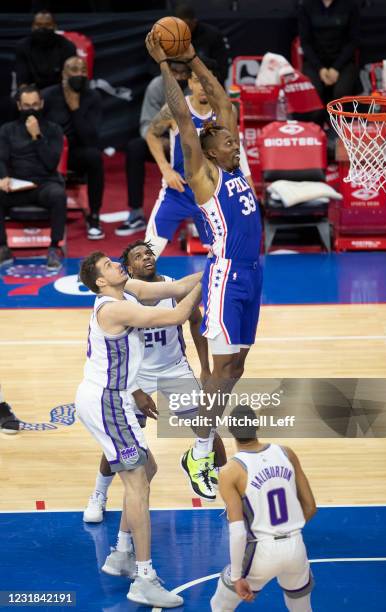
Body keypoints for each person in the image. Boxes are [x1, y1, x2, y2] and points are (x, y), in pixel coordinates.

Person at [145, 34, 263, 492]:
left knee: (236, 370)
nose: (237, 144)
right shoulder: (204, 174)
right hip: (227, 275)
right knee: (219, 372)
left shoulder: (237, 168)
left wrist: (193, 56)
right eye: (229, 142)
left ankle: (202, 440)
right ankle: (198, 453)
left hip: (254, 274)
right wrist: (165, 66)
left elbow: (223, 101)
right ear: (211, 152)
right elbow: (181, 119)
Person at [76, 250, 201, 607]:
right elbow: (178, 313)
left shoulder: (124, 291)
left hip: (109, 399)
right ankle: (143, 577)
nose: (117, 265)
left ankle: (120, 555)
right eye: (109, 266)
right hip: (107, 401)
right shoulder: (114, 307)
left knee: (147, 468)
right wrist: (208, 283)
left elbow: (174, 287)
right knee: (138, 485)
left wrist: (209, 271)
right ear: (101, 281)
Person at [83, 239, 217, 519]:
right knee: (120, 442)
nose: (146, 258)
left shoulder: (164, 285)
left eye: (149, 253)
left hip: (173, 368)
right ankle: (99, 492)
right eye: (137, 256)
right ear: (128, 267)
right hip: (135, 375)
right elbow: (118, 359)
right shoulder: (121, 299)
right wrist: (135, 390)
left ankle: (224, 486)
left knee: (207, 426)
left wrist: (205, 367)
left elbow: (191, 315)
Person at [210, 404, 317, 612]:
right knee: (301, 609)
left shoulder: (230, 471)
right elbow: (311, 507)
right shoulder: (287, 453)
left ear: (231, 431)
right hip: (296, 546)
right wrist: (289, 531)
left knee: (220, 605)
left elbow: (238, 532)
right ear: (257, 426)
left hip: (261, 550)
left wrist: (236, 576)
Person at [144, 59, 254, 258]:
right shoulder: (175, 110)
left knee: (223, 255)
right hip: (179, 190)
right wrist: (165, 169)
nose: (203, 87)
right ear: (190, 83)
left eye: (207, 81)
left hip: (214, 193)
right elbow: (151, 134)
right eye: (197, 81)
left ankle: (215, 287)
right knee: (148, 251)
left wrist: (246, 181)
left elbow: (237, 150)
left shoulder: (225, 112)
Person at [115, 62, 192, 237]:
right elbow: (146, 127)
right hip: (162, 141)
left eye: (184, 73)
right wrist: (164, 141)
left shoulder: (198, 88)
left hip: (190, 144)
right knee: (135, 148)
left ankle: (201, 212)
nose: (179, 77)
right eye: (175, 72)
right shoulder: (157, 86)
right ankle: (136, 212)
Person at [0, 85, 66, 269]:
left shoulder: (54, 129)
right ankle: (2, 247)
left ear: (42, 104)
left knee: (59, 195)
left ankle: (54, 248)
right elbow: (1, 158)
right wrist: (3, 177)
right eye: (27, 105)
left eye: (35, 105)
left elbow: (51, 163)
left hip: (45, 184)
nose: (31, 109)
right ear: (19, 106)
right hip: (17, 185)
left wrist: (36, 135)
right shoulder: (7, 130)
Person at [43, 56, 105, 239]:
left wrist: (75, 109)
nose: (79, 74)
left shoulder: (93, 97)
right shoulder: (47, 96)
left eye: (83, 70)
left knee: (94, 156)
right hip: (51, 153)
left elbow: (90, 138)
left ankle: (94, 216)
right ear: (64, 73)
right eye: (74, 70)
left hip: (77, 153)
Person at [298, 0, 360, 106]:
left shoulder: (350, 5)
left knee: (341, 96)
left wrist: (336, 68)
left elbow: (353, 41)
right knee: (313, 96)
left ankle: (338, 122)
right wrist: (320, 69)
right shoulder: (306, 6)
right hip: (315, 63)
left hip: (343, 62)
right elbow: (305, 43)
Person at [15, 10, 77, 91]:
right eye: (39, 25)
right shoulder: (23, 46)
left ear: (55, 26)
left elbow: (70, 80)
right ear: (33, 26)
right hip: (33, 92)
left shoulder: (67, 46)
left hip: (60, 91)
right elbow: (22, 80)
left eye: (47, 25)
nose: (43, 28)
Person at [175, 2, 230, 84]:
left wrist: (193, 59)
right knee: (157, 83)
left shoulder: (212, 35)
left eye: (187, 25)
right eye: (180, 25)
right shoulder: (170, 36)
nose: (184, 29)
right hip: (178, 81)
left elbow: (222, 72)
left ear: (195, 21)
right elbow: (155, 67)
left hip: (205, 82)